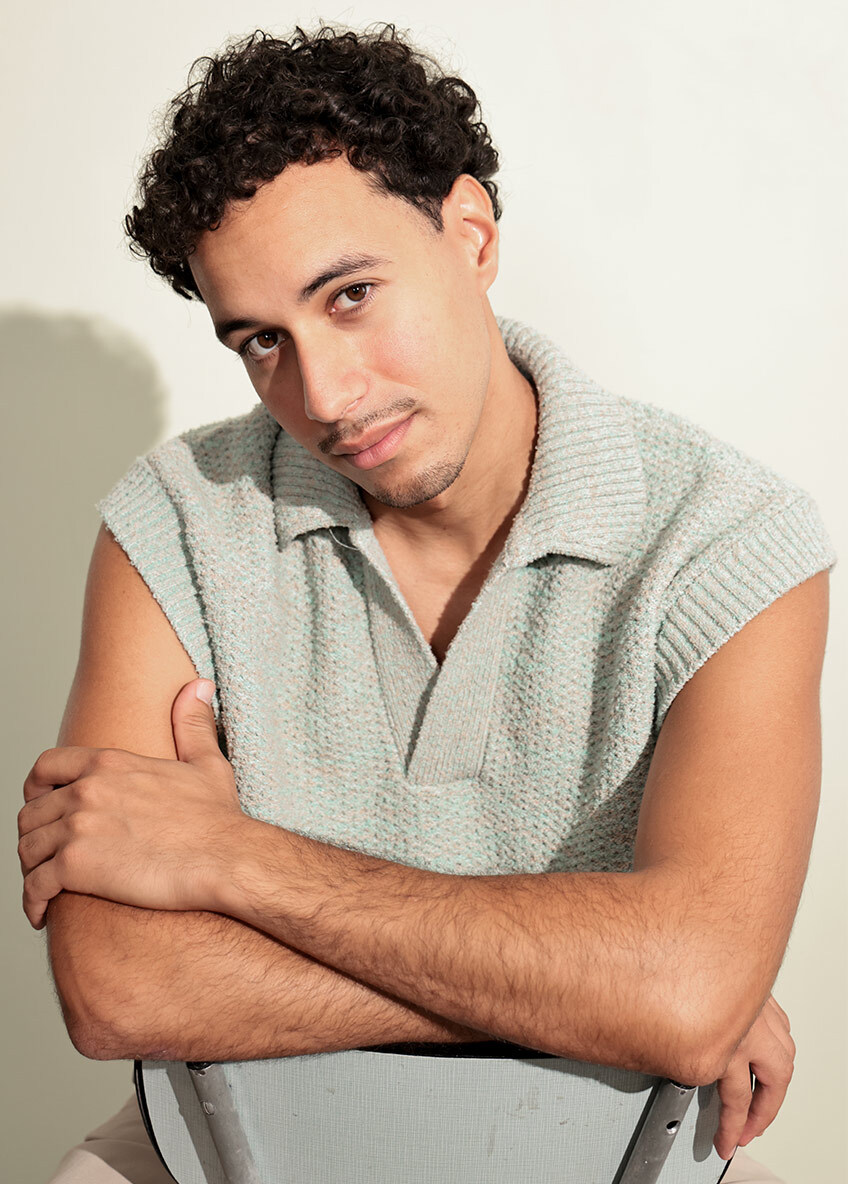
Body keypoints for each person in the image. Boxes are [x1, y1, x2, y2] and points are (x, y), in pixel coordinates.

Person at [17, 23, 834, 1184]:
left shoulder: (727, 535)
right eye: (261, 340)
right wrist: (607, 990)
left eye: (349, 295)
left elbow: (688, 997)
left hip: (613, 1146)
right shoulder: (177, 516)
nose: (324, 393)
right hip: (224, 1140)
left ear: (470, 233)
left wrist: (235, 862)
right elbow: (118, 988)